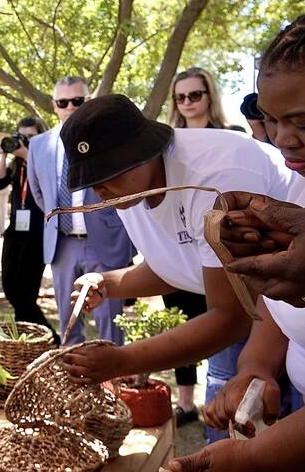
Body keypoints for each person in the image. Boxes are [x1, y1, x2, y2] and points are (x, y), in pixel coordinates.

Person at [60, 94, 292, 443]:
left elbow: (232, 315)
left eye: (107, 175)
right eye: (91, 179)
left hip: (289, 309)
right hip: (249, 311)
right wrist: (108, 283)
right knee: (229, 434)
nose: (98, 188)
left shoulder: (213, 177)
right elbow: (172, 265)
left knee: (265, 440)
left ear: (143, 151)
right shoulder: (129, 186)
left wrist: (121, 361)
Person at [168, 7, 305, 471]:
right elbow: (281, 307)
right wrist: (256, 367)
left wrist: (254, 457)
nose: (282, 140)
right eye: (272, 120)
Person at [28, 76, 134, 346]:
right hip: (62, 246)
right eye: (64, 102)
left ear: (89, 102)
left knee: (110, 322)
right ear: (54, 106)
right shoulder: (39, 145)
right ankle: (74, 382)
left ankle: (113, 383)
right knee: (69, 320)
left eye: (78, 101)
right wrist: (62, 221)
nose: (71, 107)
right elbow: (40, 194)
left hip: (105, 243)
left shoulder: (109, 141)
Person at [163, 67, 232, 425]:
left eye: (195, 95)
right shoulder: (166, 143)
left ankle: (219, 403)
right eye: (180, 96)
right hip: (180, 247)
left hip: (221, 248)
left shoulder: (230, 138)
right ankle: (186, 404)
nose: (187, 102)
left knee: (223, 325)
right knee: (182, 327)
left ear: (209, 96)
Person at [0, 117, 54, 326]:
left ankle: (42, 336)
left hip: (37, 232)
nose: (26, 141)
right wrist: (5, 153)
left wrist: (28, 155)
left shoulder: (47, 160)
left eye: (31, 137)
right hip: (15, 231)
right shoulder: (17, 164)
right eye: (22, 137)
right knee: (10, 287)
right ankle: (39, 335)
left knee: (26, 293)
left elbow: (47, 183)